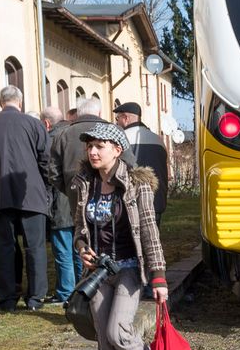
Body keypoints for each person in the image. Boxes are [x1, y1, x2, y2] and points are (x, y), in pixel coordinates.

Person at [72, 121, 167, 350]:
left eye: (100, 146)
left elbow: (150, 232)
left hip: (128, 268)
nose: (93, 151)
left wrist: (159, 276)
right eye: (90, 146)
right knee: (104, 339)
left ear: (117, 150)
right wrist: (82, 247)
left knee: (118, 331)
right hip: (98, 271)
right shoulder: (85, 183)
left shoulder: (136, 184)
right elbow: (79, 229)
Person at [0, 86, 51, 311]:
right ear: (20, 102)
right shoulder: (35, 124)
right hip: (32, 194)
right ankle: (36, 297)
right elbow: (46, 161)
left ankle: (7, 298)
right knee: (34, 247)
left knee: (4, 247)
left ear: (0, 102)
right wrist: (45, 189)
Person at [48, 98, 128, 287]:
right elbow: (130, 164)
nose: (92, 152)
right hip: (111, 199)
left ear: (77, 114)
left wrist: (70, 190)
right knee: (98, 238)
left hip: (74, 198)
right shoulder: (113, 131)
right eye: (90, 147)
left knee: (82, 238)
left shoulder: (63, 134)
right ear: (99, 113)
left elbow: (53, 173)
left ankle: (84, 284)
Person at [40, 106, 75, 302]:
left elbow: (48, 173)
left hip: (59, 201)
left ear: (46, 123)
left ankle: (65, 292)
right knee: (79, 249)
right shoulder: (75, 134)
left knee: (62, 249)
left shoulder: (50, 139)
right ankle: (79, 288)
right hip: (77, 200)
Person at [114, 102, 169, 221]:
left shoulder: (121, 139)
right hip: (155, 203)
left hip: (129, 204)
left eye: (117, 118)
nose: (116, 123)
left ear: (126, 118)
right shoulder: (158, 140)